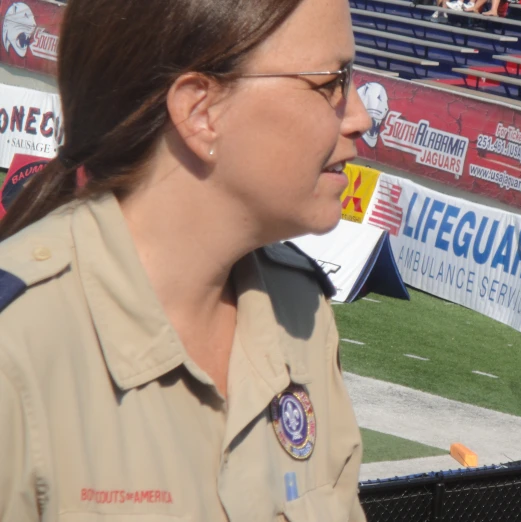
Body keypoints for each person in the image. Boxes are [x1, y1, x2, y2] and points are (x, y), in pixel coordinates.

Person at [0, 0, 372, 520]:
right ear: (201, 112)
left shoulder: (301, 313)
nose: (360, 117)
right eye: (332, 81)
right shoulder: (17, 350)